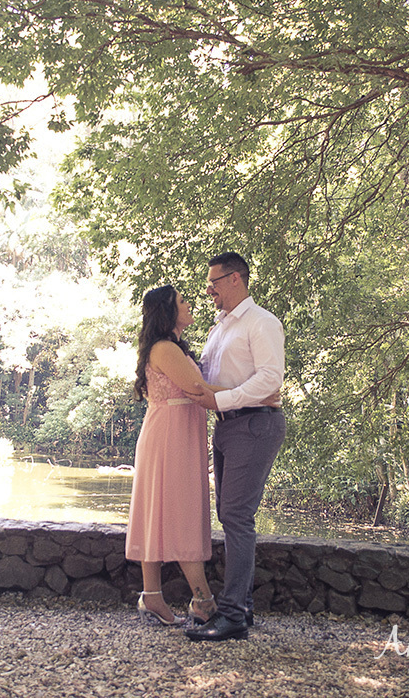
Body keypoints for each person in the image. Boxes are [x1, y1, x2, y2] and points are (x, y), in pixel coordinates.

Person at [184, 252, 286, 642]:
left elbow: (270, 379)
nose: (208, 289)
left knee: (237, 517)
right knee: (229, 517)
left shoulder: (261, 323)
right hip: (227, 427)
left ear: (236, 280)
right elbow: (209, 377)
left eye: (214, 282)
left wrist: (221, 401)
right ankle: (241, 607)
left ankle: (233, 616)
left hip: (255, 425)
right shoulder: (219, 328)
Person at [125, 285, 219, 625]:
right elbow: (198, 389)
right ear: (167, 311)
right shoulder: (164, 348)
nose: (190, 303)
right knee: (180, 512)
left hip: (176, 431)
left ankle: (152, 596)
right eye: (183, 301)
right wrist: (255, 392)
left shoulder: (173, 347)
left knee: (160, 511)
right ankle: (203, 601)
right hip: (170, 435)